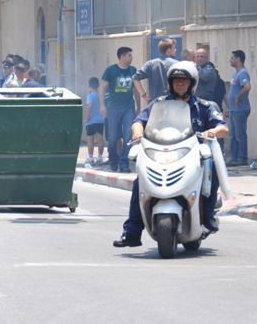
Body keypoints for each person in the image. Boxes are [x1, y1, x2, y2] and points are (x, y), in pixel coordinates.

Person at [113, 61, 228, 247]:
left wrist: (214, 132)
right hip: (162, 153)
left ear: (192, 83)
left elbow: (222, 127)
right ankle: (132, 232)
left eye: (184, 81)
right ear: (170, 83)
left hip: (193, 156)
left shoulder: (205, 106)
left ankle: (207, 216)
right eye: (176, 81)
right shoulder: (159, 104)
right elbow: (139, 120)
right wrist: (137, 131)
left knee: (210, 169)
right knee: (140, 182)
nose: (180, 84)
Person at [98, 47, 137, 173]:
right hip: (113, 108)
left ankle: (124, 163)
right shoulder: (111, 70)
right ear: (122, 57)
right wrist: (102, 105)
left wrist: (138, 106)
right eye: (129, 55)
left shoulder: (133, 70)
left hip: (129, 108)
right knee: (113, 137)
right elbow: (102, 88)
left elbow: (136, 88)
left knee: (128, 136)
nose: (131, 58)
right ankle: (113, 161)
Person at [133, 38, 177, 104]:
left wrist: (144, 95)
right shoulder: (176, 64)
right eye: (174, 48)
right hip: (172, 103)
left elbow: (135, 78)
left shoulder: (150, 64)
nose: (175, 50)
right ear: (168, 50)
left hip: (155, 103)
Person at [227, 49, 251, 166]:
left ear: (238, 59)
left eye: (232, 58)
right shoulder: (236, 73)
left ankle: (242, 158)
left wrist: (238, 97)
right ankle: (234, 158)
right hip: (233, 110)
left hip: (240, 109)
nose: (230, 60)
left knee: (239, 135)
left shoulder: (242, 73)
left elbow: (247, 87)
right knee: (233, 135)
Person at [83, 77, 105, 168]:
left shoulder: (90, 96)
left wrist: (87, 118)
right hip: (100, 120)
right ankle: (100, 157)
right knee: (100, 139)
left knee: (90, 140)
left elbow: (89, 106)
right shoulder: (100, 96)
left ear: (89, 86)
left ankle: (91, 158)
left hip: (91, 121)